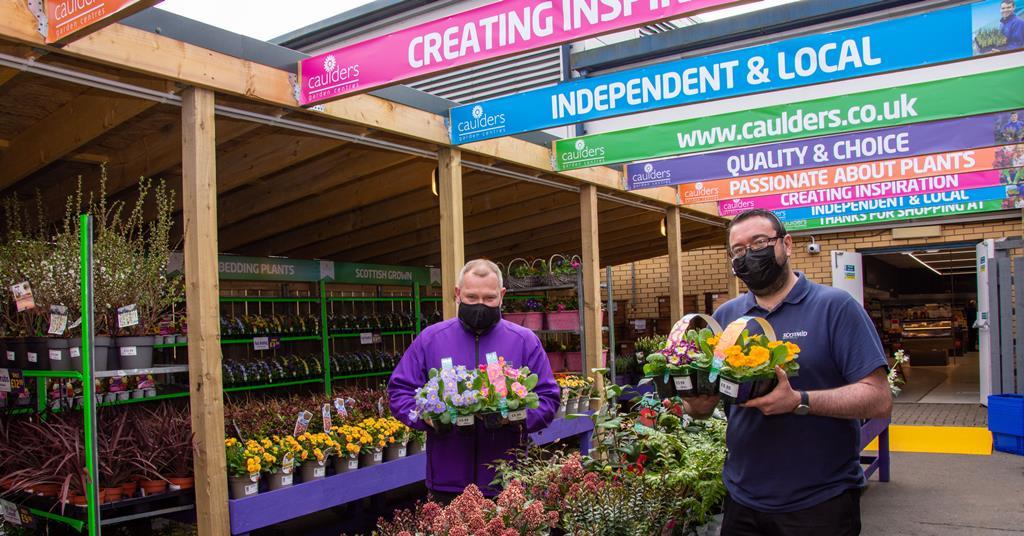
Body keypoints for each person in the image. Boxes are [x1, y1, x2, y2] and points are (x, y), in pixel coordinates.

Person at [683, 209, 892, 536]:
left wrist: (799, 400)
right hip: (742, 500)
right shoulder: (726, 316)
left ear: (787, 245)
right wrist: (697, 402)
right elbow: (704, 407)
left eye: (760, 242)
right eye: (738, 250)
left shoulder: (835, 308)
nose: (749, 255)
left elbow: (878, 399)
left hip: (820, 502)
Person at [388, 259, 560, 500]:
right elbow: (399, 391)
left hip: (507, 479)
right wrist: (426, 416)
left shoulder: (524, 341)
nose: (480, 306)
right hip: (447, 481)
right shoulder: (431, 339)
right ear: (458, 294)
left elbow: (548, 399)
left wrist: (513, 418)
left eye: (489, 299)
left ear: (502, 296)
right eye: (472, 298)